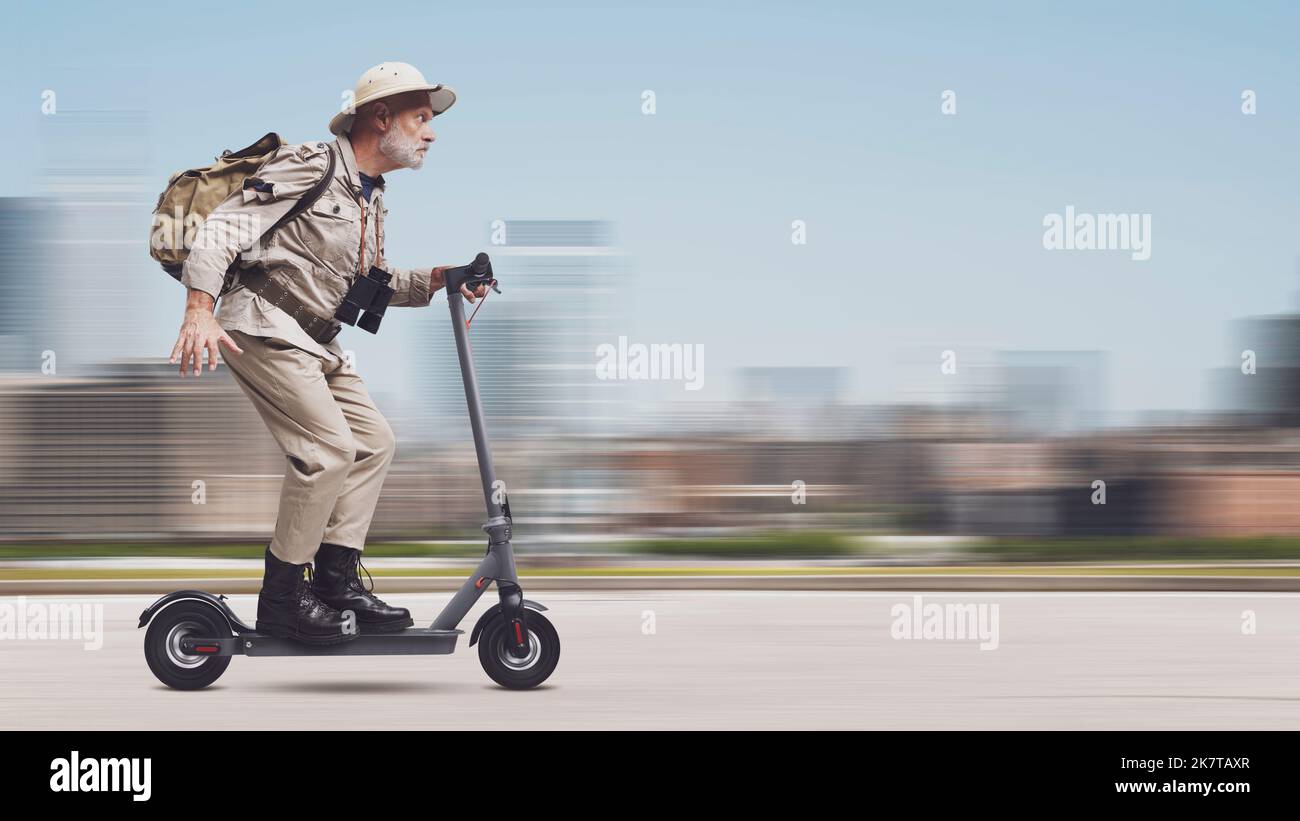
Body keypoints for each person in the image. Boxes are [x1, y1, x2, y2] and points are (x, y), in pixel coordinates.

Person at [168, 62, 487, 644]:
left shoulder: (371, 197)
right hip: (261, 325)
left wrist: (446, 276)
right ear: (380, 116)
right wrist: (198, 309)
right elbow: (222, 229)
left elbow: (374, 286)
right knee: (328, 450)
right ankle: (283, 600)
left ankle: (337, 582)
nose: (431, 132)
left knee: (375, 442)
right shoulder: (311, 164)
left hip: (316, 340)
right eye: (422, 117)